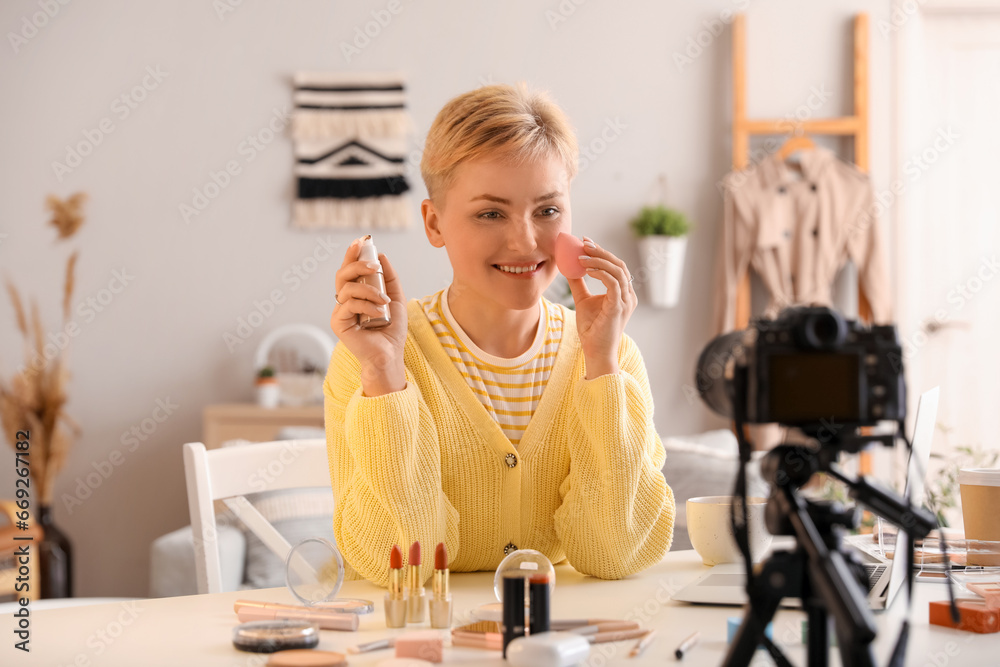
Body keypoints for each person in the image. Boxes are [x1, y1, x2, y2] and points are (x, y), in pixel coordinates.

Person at [324, 83, 674, 587]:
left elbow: (616, 554)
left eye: (548, 211)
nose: (525, 241)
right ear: (434, 222)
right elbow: (400, 565)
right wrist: (384, 376)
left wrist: (601, 368)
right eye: (491, 213)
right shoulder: (368, 361)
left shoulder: (610, 355)